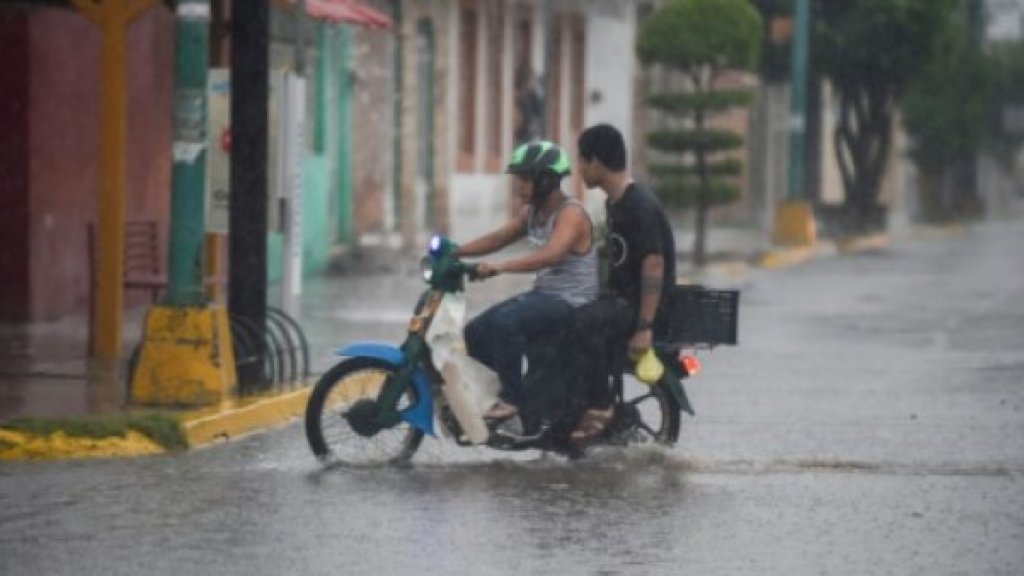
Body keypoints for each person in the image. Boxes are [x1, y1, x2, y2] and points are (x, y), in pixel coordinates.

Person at [458, 140, 599, 422]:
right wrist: (456, 251)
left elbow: (552, 255)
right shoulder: (532, 212)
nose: (518, 186)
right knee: (475, 332)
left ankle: (513, 402)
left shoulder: (571, 213)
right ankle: (509, 395)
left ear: (545, 180)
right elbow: (499, 238)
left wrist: (500, 267)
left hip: (571, 303)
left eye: (524, 179)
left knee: (506, 322)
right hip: (544, 297)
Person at [570, 123, 677, 442]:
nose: (579, 169)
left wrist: (644, 326)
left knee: (581, 324)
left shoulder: (639, 205)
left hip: (636, 307)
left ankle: (600, 404)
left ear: (596, 162)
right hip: (619, 301)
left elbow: (654, 264)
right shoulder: (615, 203)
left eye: (582, 161)